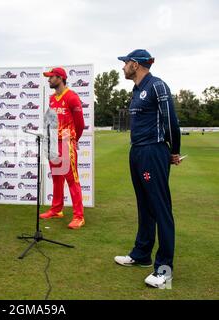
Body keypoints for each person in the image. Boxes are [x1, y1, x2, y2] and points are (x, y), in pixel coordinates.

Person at [114, 49, 182, 288]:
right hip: (138, 151)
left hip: (153, 151)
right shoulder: (135, 89)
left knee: (160, 208)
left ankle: (164, 270)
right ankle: (142, 254)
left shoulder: (157, 86)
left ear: (135, 64)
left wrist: (174, 151)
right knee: (144, 206)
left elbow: (170, 120)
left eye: (125, 63)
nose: (122, 67)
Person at [40, 67, 85, 229]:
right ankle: (56, 209)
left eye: (51, 77)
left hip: (66, 141)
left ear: (60, 78)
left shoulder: (72, 97)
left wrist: (74, 139)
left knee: (72, 180)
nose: (49, 80)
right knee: (57, 177)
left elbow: (80, 124)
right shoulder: (52, 98)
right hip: (53, 141)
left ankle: (79, 216)